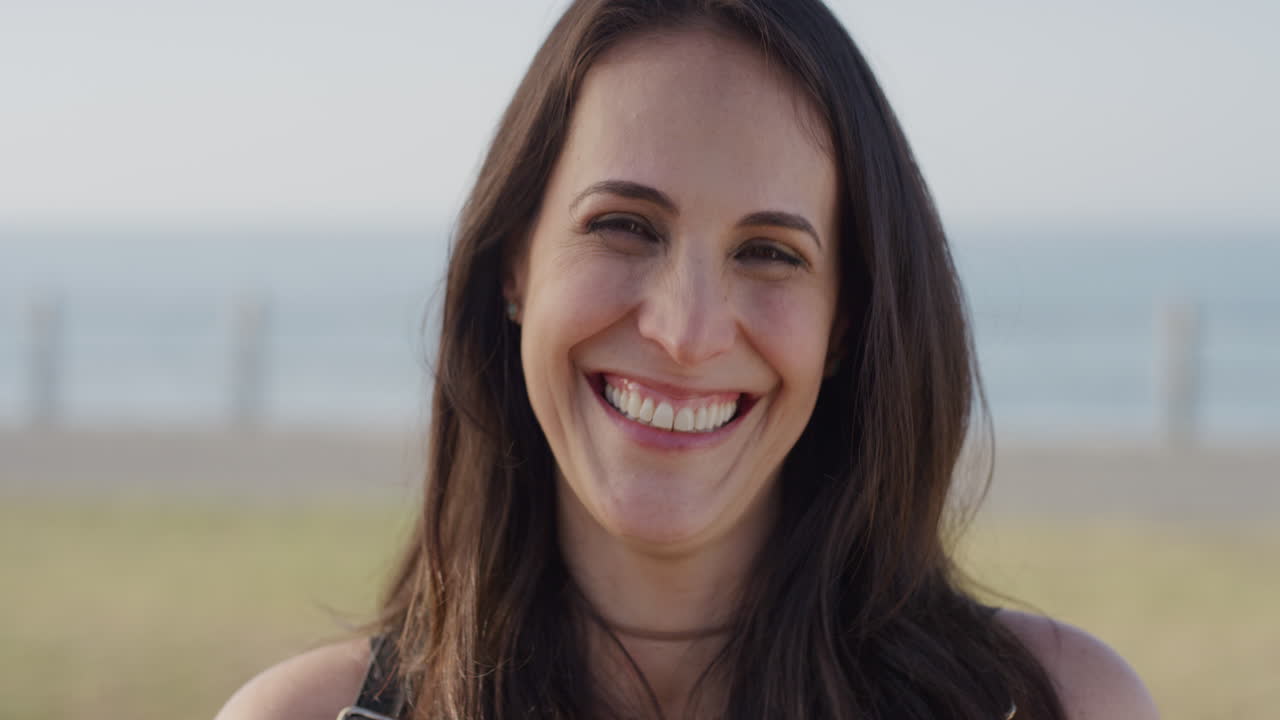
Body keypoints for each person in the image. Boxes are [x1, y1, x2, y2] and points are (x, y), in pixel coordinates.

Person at [217, 1, 1159, 718]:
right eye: (624, 226)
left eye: (770, 252)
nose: (686, 330)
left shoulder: (1063, 706)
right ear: (515, 264)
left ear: (845, 322)